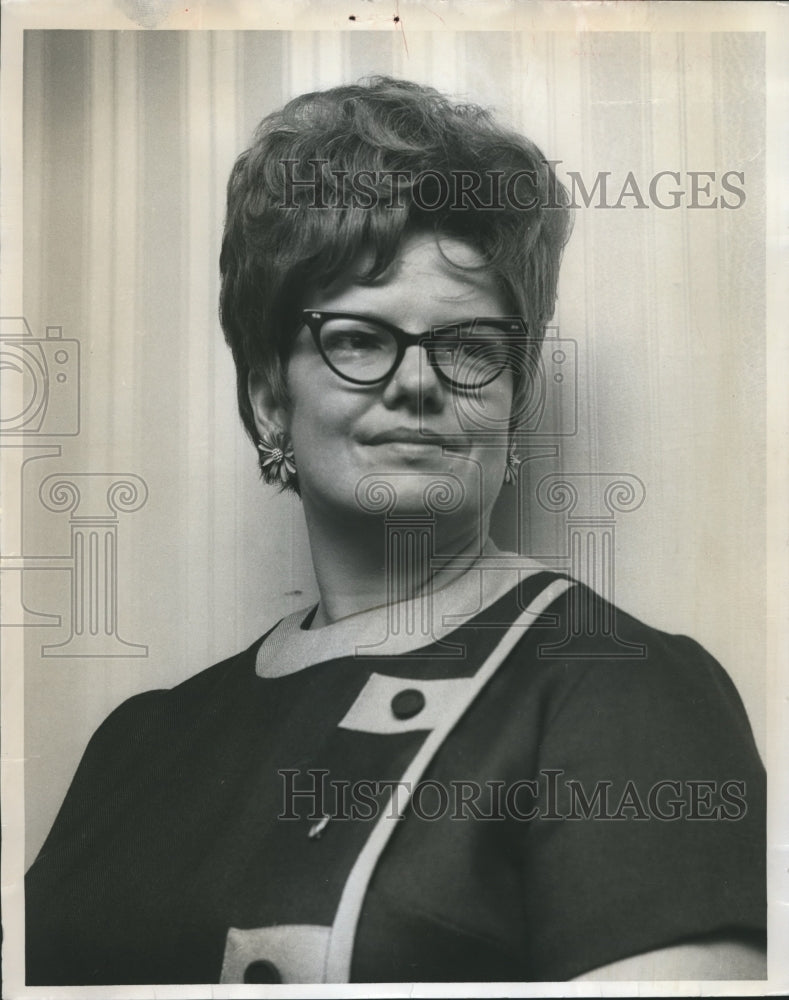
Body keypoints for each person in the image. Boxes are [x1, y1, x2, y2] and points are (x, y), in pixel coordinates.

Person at [25, 76, 766, 986]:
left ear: (514, 399)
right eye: (360, 337)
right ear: (268, 397)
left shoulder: (619, 693)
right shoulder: (136, 745)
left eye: (467, 346)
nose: (416, 382)